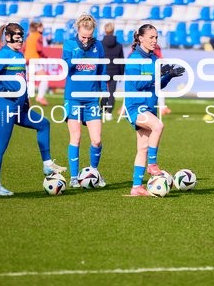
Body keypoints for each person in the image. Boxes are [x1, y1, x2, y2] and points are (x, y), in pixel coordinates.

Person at [0, 23, 66, 197]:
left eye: (21, 37)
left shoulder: (19, 55)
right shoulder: (3, 54)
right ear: (8, 37)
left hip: (20, 107)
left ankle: (47, 164)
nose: (20, 41)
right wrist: (3, 91)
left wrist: (26, 98)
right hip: (4, 107)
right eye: (17, 37)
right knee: (0, 146)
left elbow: (21, 78)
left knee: (44, 124)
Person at [122, 24, 184, 196]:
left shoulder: (155, 60)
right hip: (135, 107)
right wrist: (157, 75)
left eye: (156, 37)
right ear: (140, 38)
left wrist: (168, 76)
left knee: (142, 148)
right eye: (151, 37)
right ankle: (152, 164)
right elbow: (138, 84)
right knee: (158, 126)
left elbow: (158, 85)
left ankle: (136, 187)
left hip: (149, 107)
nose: (154, 41)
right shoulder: (134, 59)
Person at [63, 14, 107, 188]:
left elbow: (102, 70)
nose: (87, 40)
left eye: (89, 37)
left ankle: (93, 173)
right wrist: (80, 50)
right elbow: (66, 67)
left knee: (96, 140)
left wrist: (105, 93)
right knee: (76, 137)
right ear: (78, 31)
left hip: (91, 99)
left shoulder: (98, 46)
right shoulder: (69, 44)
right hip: (73, 97)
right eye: (83, 37)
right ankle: (74, 177)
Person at [100, 22, 124, 119]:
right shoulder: (118, 45)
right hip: (115, 72)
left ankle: (101, 109)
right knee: (111, 93)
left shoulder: (100, 44)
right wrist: (121, 74)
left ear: (105, 31)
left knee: (102, 91)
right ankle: (108, 112)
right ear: (113, 30)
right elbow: (121, 61)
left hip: (103, 71)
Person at [24, 21, 48, 105]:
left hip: (27, 59)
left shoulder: (29, 36)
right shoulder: (38, 36)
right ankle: (40, 97)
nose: (43, 29)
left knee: (28, 80)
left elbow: (24, 48)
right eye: (42, 27)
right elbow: (39, 49)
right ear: (38, 28)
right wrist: (45, 57)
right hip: (34, 59)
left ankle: (26, 98)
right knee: (44, 78)